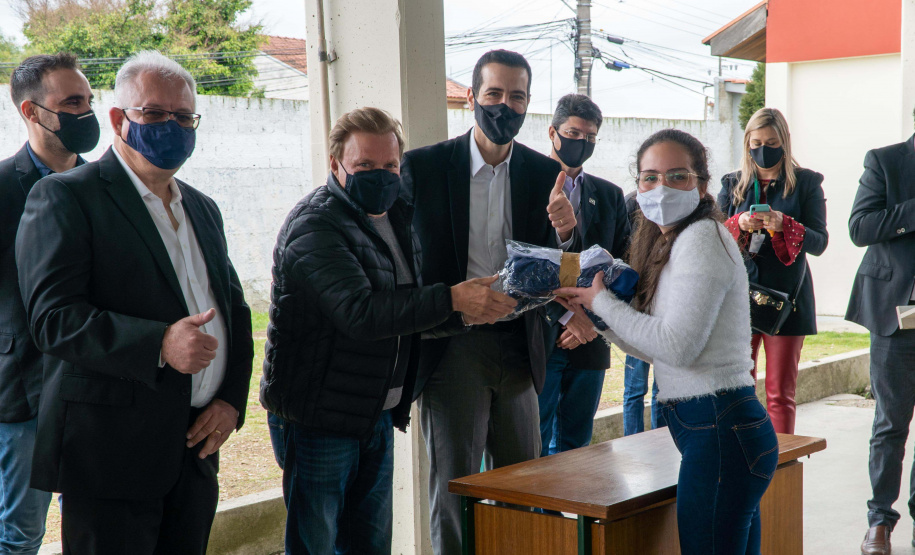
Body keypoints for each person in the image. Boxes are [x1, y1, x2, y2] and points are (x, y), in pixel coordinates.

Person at [15, 50, 254, 554]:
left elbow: (235, 311)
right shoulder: (66, 197)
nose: (172, 126)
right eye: (155, 113)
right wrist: (160, 343)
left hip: (195, 448)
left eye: (183, 116)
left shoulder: (202, 207)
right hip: (111, 456)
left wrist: (230, 400)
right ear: (119, 119)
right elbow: (54, 319)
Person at [260, 107, 516, 555]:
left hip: (374, 411)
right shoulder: (315, 226)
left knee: (371, 543)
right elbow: (360, 314)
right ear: (335, 164)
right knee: (316, 543)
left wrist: (465, 314)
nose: (380, 176)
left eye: (390, 165)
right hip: (319, 416)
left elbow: (403, 313)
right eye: (365, 165)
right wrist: (452, 299)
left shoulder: (395, 214)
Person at [556, 129, 778, 554]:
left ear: (702, 185)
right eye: (650, 177)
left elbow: (678, 347)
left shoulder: (701, 239)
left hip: (718, 427)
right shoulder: (674, 241)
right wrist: (599, 318)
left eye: (677, 176)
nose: (662, 187)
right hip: (719, 427)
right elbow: (659, 349)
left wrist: (603, 303)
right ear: (638, 186)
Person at [400, 49, 576, 555]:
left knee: (524, 485)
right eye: (494, 93)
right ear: (472, 97)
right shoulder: (424, 167)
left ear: (528, 104)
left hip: (520, 347)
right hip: (453, 346)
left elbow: (562, 266)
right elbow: (402, 259)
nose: (504, 105)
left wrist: (567, 234)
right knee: (455, 488)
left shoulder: (544, 173)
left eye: (516, 97)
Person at [0, 53, 98, 555]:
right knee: (20, 534)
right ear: (31, 111)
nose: (86, 113)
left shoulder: (107, 187)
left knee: (96, 525)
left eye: (89, 101)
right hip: (25, 392)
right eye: (72, 103)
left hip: (97, 389)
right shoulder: (2, 188)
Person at [718, 107, 828, 435]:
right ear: (747, 144)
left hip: (788, 298)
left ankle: (784, 461)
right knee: (738, 390)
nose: (763, 150)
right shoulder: (732, 183)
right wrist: (738, 222)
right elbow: (711, 237)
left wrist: (785, 225)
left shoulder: (807, 182)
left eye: (771, 143)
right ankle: (743, 456)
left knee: (780, 393)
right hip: (739, 297)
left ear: (785, 142)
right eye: (756, 143)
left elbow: (820, 242)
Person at [538, 93, 629, 456]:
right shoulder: (524, 183)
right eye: (573, 133)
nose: (582, 142)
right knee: (531, 444)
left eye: (590, 137)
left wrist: (590, 320)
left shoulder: (610, 195)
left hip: (591, 337)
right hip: (541, 336)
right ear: (553, 133)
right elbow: (515, 264)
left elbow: (622, 266)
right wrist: (565, 316)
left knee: (578, 446)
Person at [846, 124, 915, 555]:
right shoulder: (885, 161)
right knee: (890, 425)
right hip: (896, 316)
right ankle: (879, 522)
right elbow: (860, 227)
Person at [621, 190, 660, 436]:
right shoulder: (631, 203)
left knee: (662, 387)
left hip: (664, 305)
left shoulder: (674, 203)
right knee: (635, 387)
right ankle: (632, 440)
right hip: (637, 304)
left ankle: (662, 439)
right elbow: (622, 251)